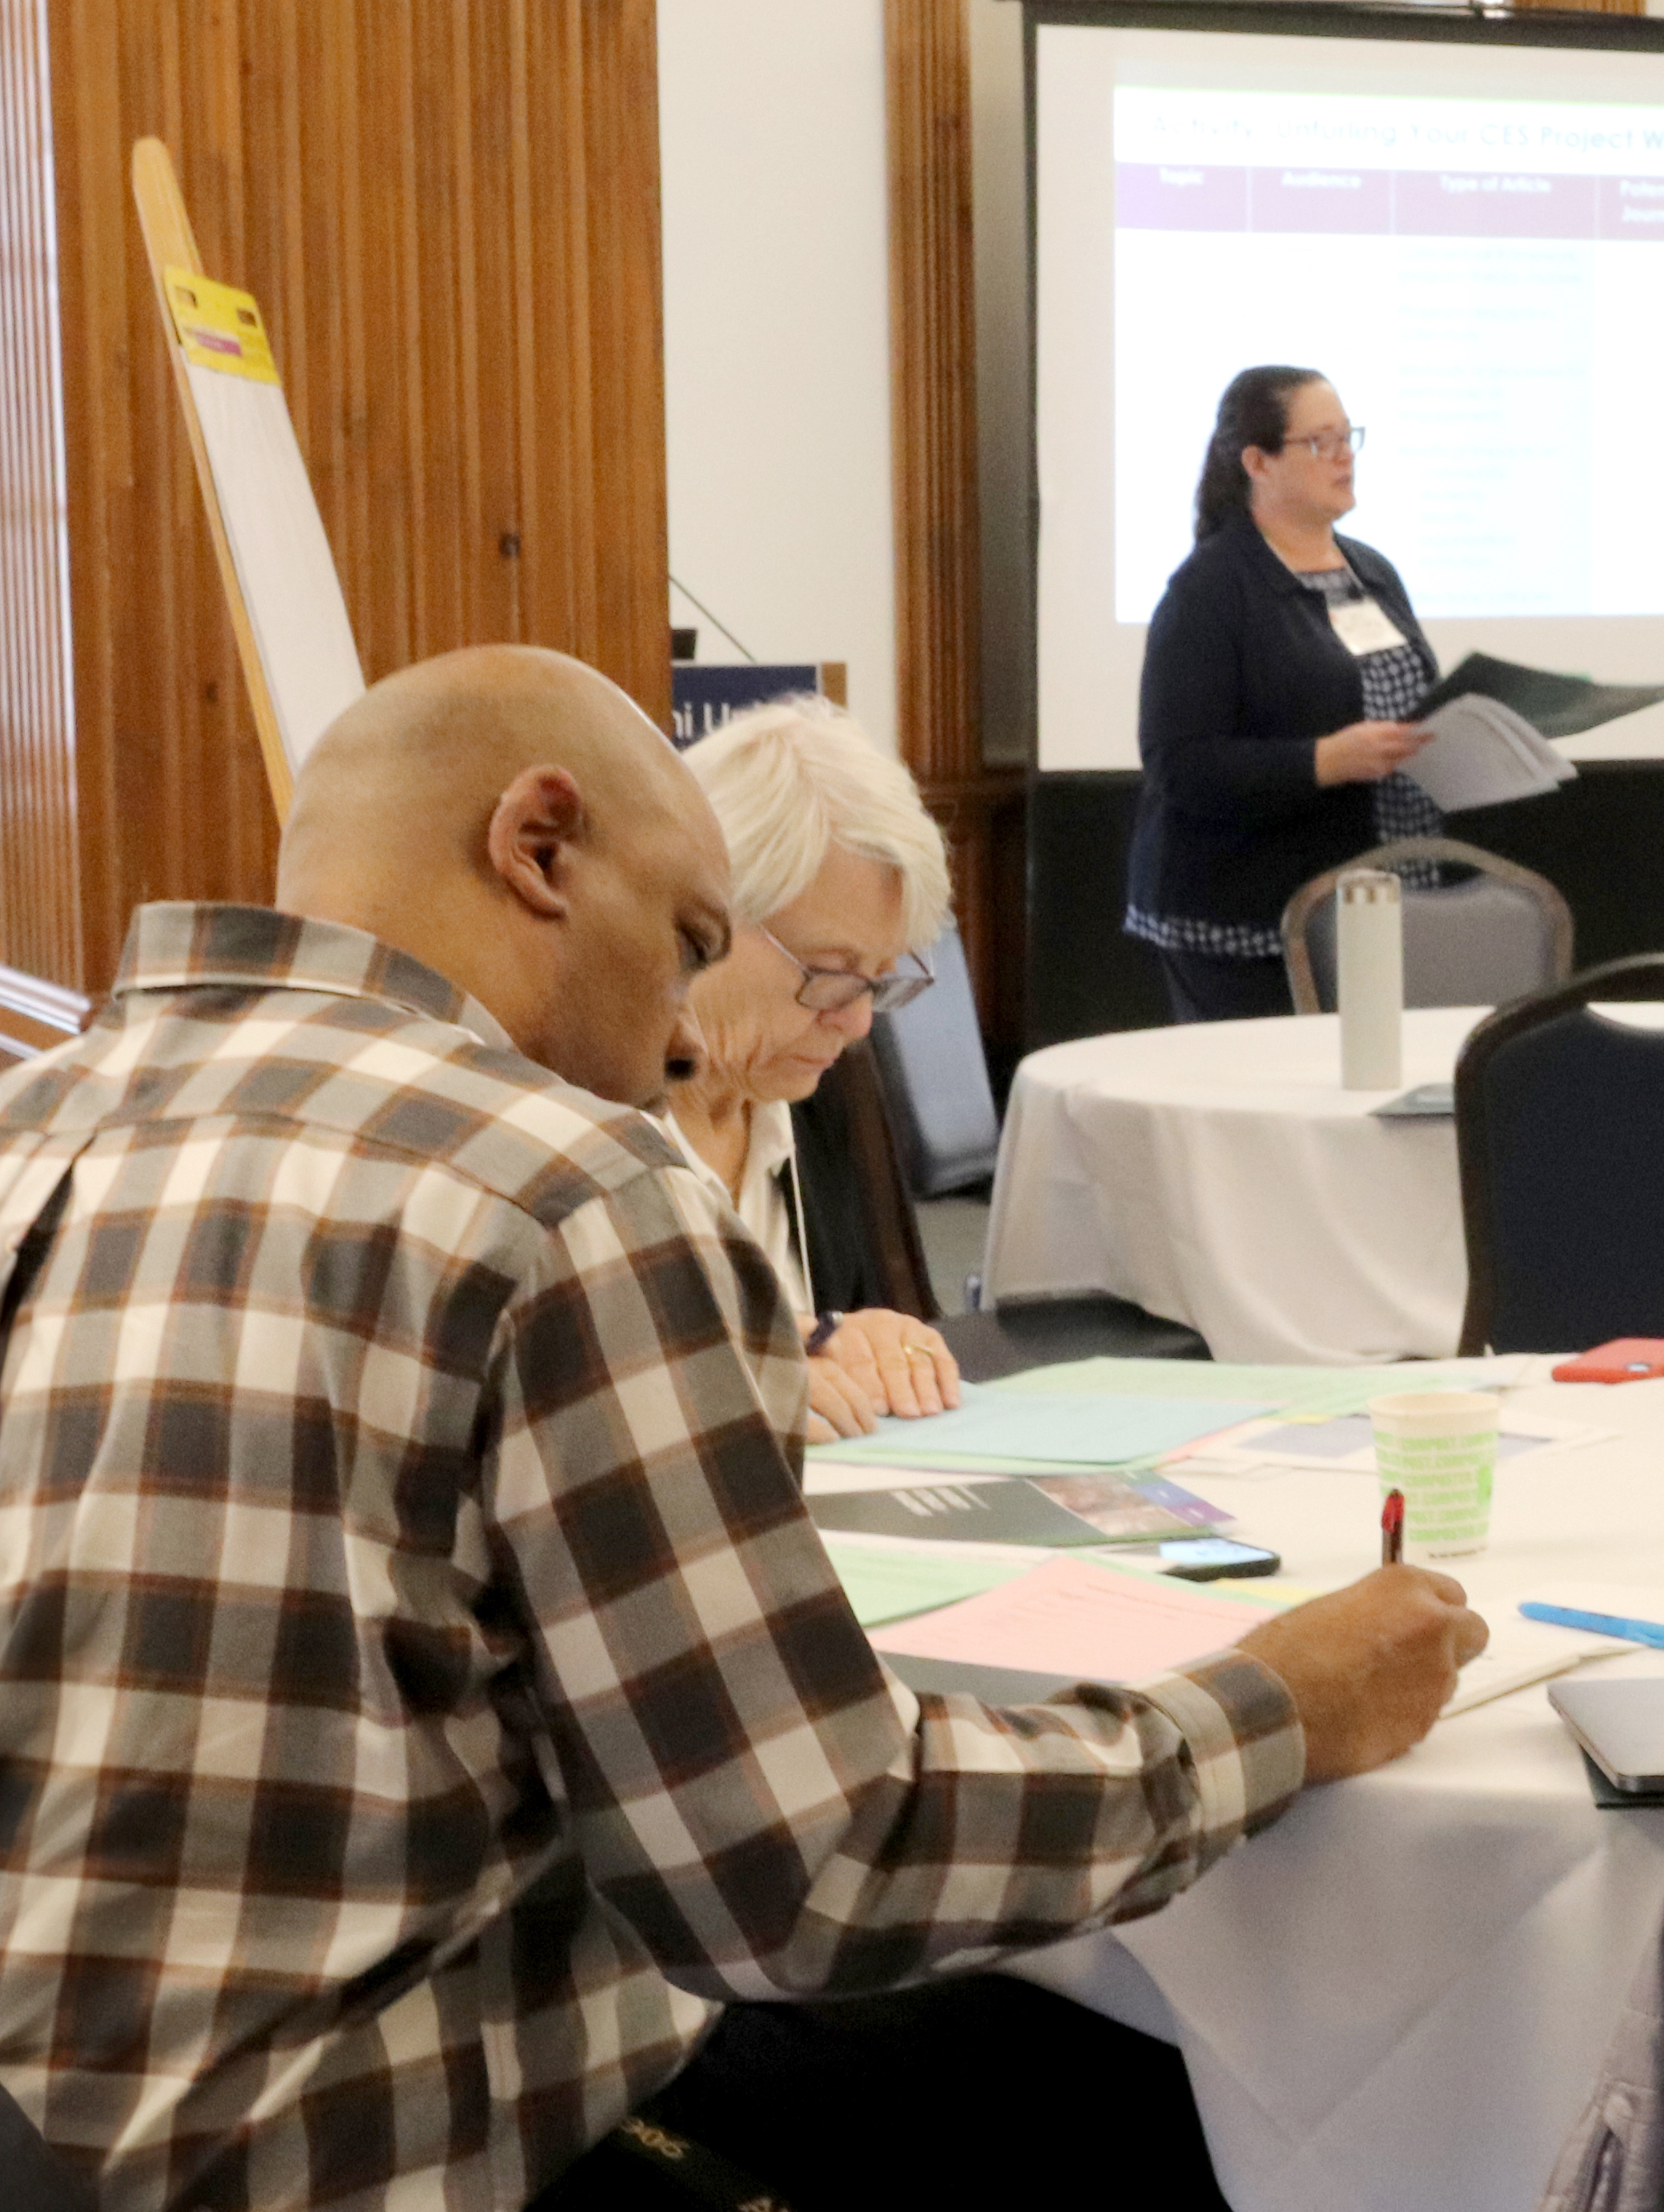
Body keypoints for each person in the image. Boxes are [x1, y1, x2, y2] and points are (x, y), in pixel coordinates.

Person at [0, 646, 1485, 2211]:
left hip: (61, 2133)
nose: (678, 1041)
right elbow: (807, 1870)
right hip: (385, 2144)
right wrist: (1272, 1705)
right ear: (540, 843)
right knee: (1170, 2112)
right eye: (690, 941)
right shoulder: (563, 1190)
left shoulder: (46, 1126)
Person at [671, 693, 963, 1440]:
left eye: (878, 980)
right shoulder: (582, 1113)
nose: (858, 1021)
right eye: (830, 973)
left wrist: (878, 1342)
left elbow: (861, 1326)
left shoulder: (815, 1085)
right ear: (704, 915)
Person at [1126, 364, 1442, 1023]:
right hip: (1246, 920)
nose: (1344, 457)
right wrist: (1326, 760)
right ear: (1258, 462)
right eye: (1319, 441)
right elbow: (1179, 764)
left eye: (1348, 437)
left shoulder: (1372, 571)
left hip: (1377, 908)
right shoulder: (1210, 590)